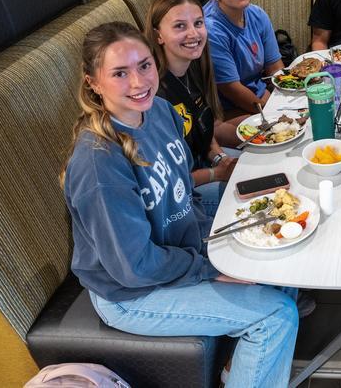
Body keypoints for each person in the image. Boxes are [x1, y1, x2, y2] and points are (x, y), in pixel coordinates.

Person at [61, 21, 299, 387]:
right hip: (132, 293)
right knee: (277, 316)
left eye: (144, 66)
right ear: (93, 82)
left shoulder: (159, 111)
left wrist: (218, 237)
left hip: (174, 250)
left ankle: (237, 371)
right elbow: (134, 267)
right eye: (120, 73)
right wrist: (211, 268)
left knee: (278, 247)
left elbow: (181, 191)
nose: (139, 82)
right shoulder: (98, 162)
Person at [144, 0, 239, 215]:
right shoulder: (154, 94)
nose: (193, 33)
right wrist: (217, 174)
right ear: (158, 35)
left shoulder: (194, 66)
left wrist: (220, 157)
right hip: (181, 194)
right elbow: (168, 182)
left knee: (263, 168)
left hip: (204, 166)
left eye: (198, 23)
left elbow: (203, 130)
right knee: (253, 193)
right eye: (179, 26)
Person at [204, 0, 284, 118]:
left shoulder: (257, 14)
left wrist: (287, 99)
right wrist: (271, 114)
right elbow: (231, 90)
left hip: (259, 93)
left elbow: (275, 67)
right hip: (226, 109)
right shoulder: (211, 29)